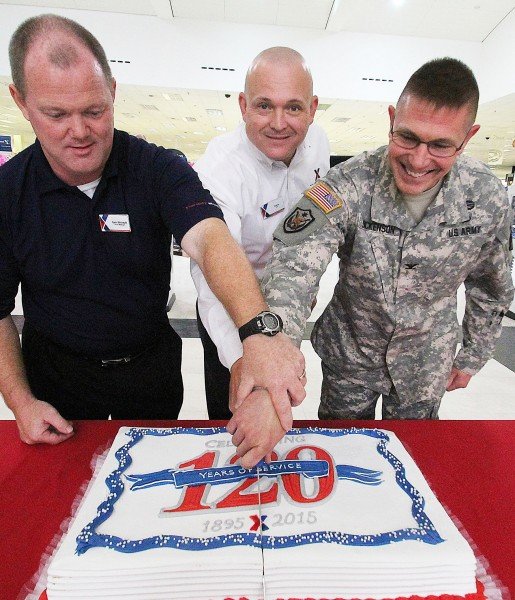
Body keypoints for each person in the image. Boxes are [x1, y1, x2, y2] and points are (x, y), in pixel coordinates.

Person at [0, 14, 306, 449]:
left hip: (150, 374)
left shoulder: (156, 168)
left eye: (94, 110)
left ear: (113, 92)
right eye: (56, 115)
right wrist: (20, 402)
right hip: (56, 383)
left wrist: (258, 330)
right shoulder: (8, 194)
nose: (80, 131)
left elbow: (209, 237)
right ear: (21, 101)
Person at [261, 57, 514, 420]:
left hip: (424, 364)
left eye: (441, 145)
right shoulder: (348, 182)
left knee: (413, 455)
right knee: (344, 448)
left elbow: (492, 283)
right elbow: (295, 263)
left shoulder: (486, 196)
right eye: (407, 136)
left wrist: (475, 352)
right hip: (349, 357)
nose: (418, 159)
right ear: (392, 119)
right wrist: (277, 351)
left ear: (467, 138)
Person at [191, 47, 329, 420]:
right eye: (264, 105)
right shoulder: (219, 170)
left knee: (279, 413)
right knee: (233, 411)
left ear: (313, 108)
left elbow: (316, 215)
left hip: (288, 299)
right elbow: (210, 272)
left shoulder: (320, 145)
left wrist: (304, 287)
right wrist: (243, 361)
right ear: (243, 105)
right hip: (229, 303)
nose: (279, 123)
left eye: (294, 107)